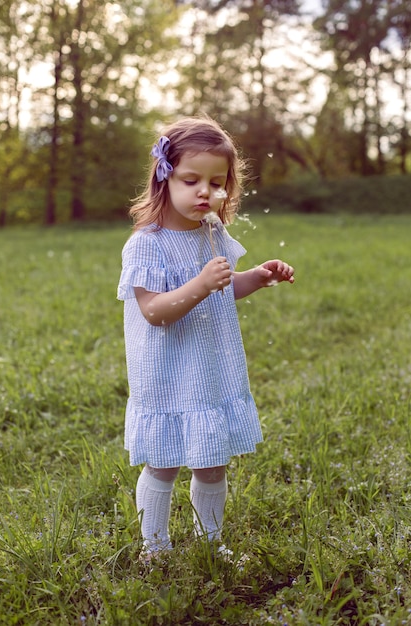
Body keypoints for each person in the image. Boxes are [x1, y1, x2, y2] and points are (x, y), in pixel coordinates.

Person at [117, 116, 294, 563]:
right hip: (166, 372)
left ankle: (211, 543)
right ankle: (154, 548)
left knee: (212, 460)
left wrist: (257, 276)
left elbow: (224, 288)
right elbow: (154, 311)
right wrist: (200, 283)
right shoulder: (146, 244)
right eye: (191, 179)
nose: (204, 191)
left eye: (217, 182)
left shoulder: (213, 232)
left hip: (208, 369)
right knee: (164, 462)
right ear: (164, 179)